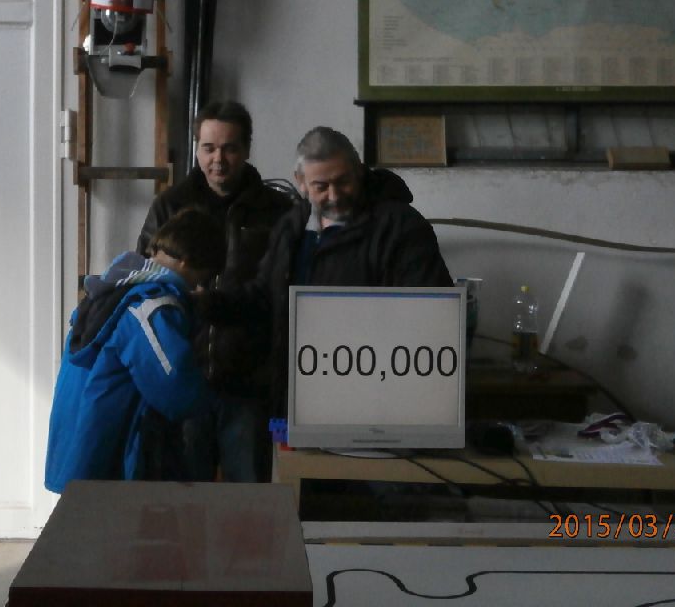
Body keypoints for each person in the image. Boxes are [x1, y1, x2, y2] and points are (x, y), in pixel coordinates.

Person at [204, 126, 453, 418]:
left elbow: (430, 315)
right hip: (295, 396)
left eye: (343, 182)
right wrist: (206, 303)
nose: (334, 196)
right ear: (301, 182)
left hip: (372, 401)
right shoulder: (292, 227)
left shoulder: (400, 228)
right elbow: (265, 296)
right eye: (321, 186)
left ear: (358, 171)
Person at [137, 101, 293, 483]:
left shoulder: (278, 211)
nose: (218, 160)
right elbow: (144, 280)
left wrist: (213, 305)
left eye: (229, 148)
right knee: (185, 500)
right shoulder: (169, 205)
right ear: (197, 149)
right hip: (184, 379)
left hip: (249, 385)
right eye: (208, 148)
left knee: (249, 500)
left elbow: (280, 292)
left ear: (247, 148)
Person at [44, 208, 226, 493]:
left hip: (83, 438)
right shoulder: (151, 307)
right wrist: (214, 402)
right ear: (187, 261)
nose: (198, 287)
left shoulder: (114, 291)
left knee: (90, 515)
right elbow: (175, 389)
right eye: (202, 277)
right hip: (113, 450)